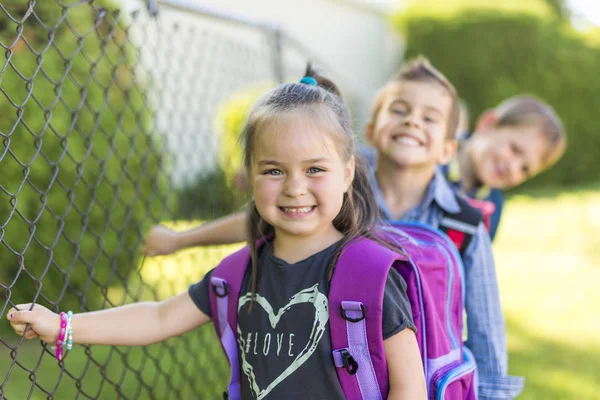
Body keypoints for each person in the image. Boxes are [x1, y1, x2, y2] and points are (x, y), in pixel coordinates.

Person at [7, 66, 427, 400]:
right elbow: (158, 317)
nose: (295, 187)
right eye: (274, 170)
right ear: (249, 177)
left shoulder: (369, 275)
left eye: (314, 169)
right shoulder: (238, 272)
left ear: (348, 171)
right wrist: (64, 325)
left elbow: (410, 387)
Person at [142, 56, 523, 400]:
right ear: (369, 132)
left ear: (447, 150)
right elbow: (259, 223)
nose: (411, 122)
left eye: (429, 118)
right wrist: (181, 240)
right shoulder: (335, 194)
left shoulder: (463, 224)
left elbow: (487, 332)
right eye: (400, 110)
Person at [445, 95, 566, 240]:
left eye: (525, 169)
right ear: (488, 124)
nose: (513, 168)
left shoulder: (493, 208)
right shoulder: (432, 157)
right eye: (514, 149)